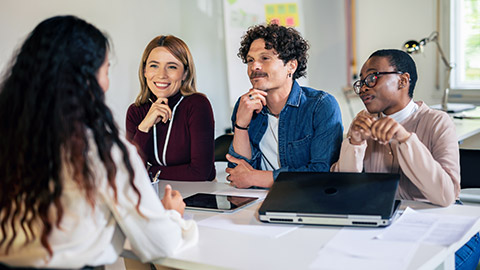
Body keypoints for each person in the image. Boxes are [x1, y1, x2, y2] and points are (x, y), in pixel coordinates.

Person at [0, 16, 197, 269]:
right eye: (106, 69)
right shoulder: (102, 150)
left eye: (171, 66)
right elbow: (158, 243)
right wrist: (172, 214)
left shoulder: (9, 139)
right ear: (88, 79)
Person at [331, 49, 480, 269]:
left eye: (372, 78)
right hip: (390, 229)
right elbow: (342, 190)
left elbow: (446, 196)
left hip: (445, 227)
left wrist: (405, 139)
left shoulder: (437, 122)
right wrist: (354, 142)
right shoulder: (364, 123)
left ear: (402, 80)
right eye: (361, 82)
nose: (363, 88)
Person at [226, 24, 343, 189]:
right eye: (250, 60)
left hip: (305, 200)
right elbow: (237, 173)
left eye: (265, 58)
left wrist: (255, 178)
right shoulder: (245, 104)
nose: (254, 67)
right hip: (255, 200)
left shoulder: (320, 106)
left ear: (291, 66)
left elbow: (321, 172)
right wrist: (241, 125)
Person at [126, 35, 215, 181]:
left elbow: (200, 172)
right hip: (155, 196)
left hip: (197, 194)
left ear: (185, 73)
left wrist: (149, 171)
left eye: (172, 67)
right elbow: (129, 171)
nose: (162, 75)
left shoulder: (197, 105)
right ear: (144, 71)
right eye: (154, 65)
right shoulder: (136, 111)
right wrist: (144, 127)